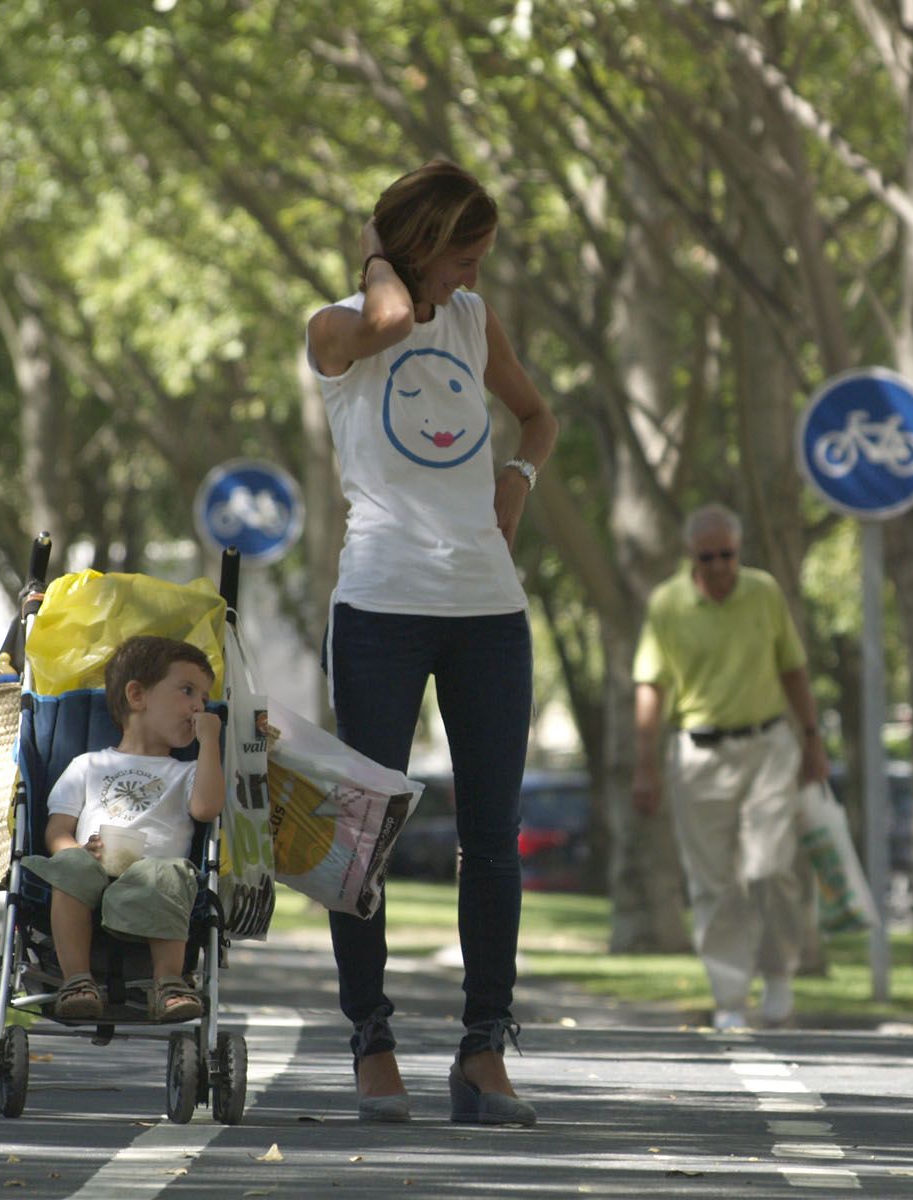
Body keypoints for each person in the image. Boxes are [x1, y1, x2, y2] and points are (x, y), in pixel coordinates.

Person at [305, 159, 557, 1125]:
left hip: (489, 610)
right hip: (379, 606)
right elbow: (384, 324)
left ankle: (484, 1052)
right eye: (461, 256)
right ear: (412, 247)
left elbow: (537, 416)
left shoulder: (474, 321)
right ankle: (373, 1042)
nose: (470, 276)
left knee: (493, 842)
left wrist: (517, 482)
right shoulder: (336, 328)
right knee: (362, 835)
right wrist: (379, 258)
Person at [632, 505, 830, 1030]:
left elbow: (793, 668)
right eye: (708, 556)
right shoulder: (668, 604)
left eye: (728, 554)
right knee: (714, 883)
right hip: (698, 754)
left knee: (769, 867)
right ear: (690, 556)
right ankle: (729, 999)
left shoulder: (763, 591)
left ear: (738, 551)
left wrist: (813, 739)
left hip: (769, 744)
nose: (720, 565)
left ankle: (779, 975)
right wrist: (644, 767)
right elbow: (650, 686)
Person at [21, 636, 225, 1023]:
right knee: (67, 867)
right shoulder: (88, 765)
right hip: (93, 866)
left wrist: (210, 742)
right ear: (137, 695)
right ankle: (77, 981)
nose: (200, 705)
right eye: (187, 691)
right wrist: (73, 851)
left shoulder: (188, 771)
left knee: (166, 873)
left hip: (154, 875)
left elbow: (206, 808)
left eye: (204, 696)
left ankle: (169, 983)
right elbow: (57, 830)